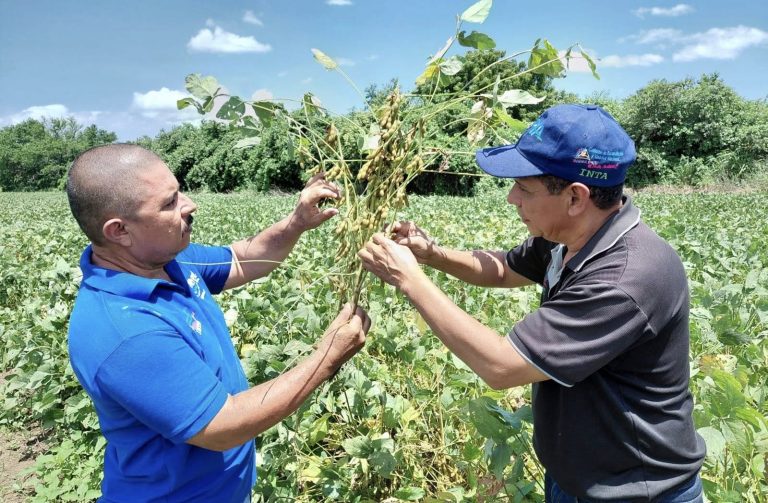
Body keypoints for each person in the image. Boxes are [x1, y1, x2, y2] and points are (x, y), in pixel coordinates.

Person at [358, 104, 706, 502]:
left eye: (524, 188)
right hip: (576, 479)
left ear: (576, 197)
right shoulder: (570, 237)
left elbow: (501, 366)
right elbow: (505, 268)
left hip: (635, 492)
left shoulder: (626, 278)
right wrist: (431, 254)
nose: (511, 199)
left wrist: (409, 279)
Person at [66, 144, 370, 503]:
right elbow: (222, 426)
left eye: (178, 192)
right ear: (119, 231)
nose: (189, 204)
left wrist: (296, 223)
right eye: (169, 203)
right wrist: (328, 356)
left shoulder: (165, 259)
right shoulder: (123, 332)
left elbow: (242, 260)